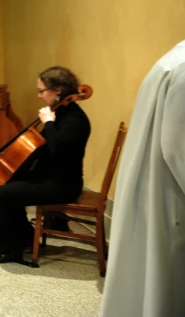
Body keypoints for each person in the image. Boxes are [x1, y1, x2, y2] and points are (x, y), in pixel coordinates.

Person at [99, 41, 185, 316]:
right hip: (170, 194)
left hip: (155, 189)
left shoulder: (174, 59)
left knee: (145, 280)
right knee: (163, 283)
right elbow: (177, 146)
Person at [0, 66, 91, 264]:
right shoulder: (61, 113)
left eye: (42, 91)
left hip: (63, 184)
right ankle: (25, 238)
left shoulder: (74, 120)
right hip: (50, 177)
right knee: (7, 187)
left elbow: (57, 149)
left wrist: (49, 123)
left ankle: (9, 250)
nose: (39, 95)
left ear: (58, 90)